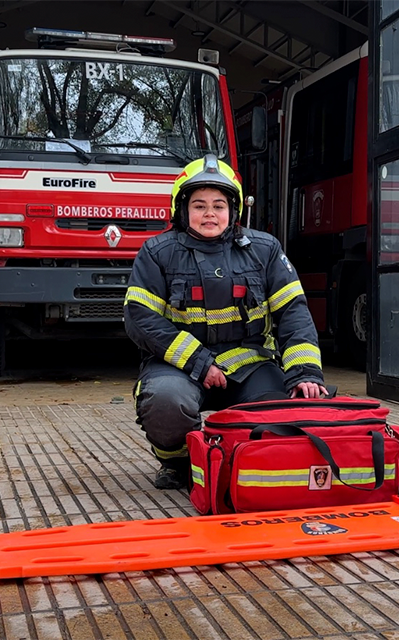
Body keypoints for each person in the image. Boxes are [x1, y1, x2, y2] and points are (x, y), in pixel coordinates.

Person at [124, 154, 328, 490]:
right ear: (181, 210)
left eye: (218, 206)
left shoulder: (265, 249)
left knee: (278, 411)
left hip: (251, 364)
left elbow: (293, 312)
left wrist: (305, 373)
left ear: (233, 211)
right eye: (199, 205)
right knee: (164, 400)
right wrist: (199, 362)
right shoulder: (156, 252)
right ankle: (179, 463)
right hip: (179, 366)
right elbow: (139, 318)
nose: (209, 213)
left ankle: (243, 460)